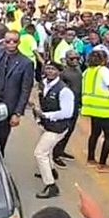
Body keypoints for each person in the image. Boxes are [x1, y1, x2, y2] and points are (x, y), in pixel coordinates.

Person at [31, 62, 74, 199]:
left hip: (57, 127)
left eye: (53, 69)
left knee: (40, 153)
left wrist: (45, 115)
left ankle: (51, 186)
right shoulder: (44, 84)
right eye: (48, 68)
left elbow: (67, 113)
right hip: (47, 125)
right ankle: (51, 170)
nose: (49, 71)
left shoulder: (64, 91)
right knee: (47, 150)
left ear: (59, 72)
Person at [53, 49, 82, 166]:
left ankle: (61, 151)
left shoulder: (78, 70)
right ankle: (55, 154)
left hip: (76, 104)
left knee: (70, 130)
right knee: (63, 130)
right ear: (66, 59)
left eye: (77, 58)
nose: (75, 61)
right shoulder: (63, 73)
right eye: (72, 59)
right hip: (66, 106)